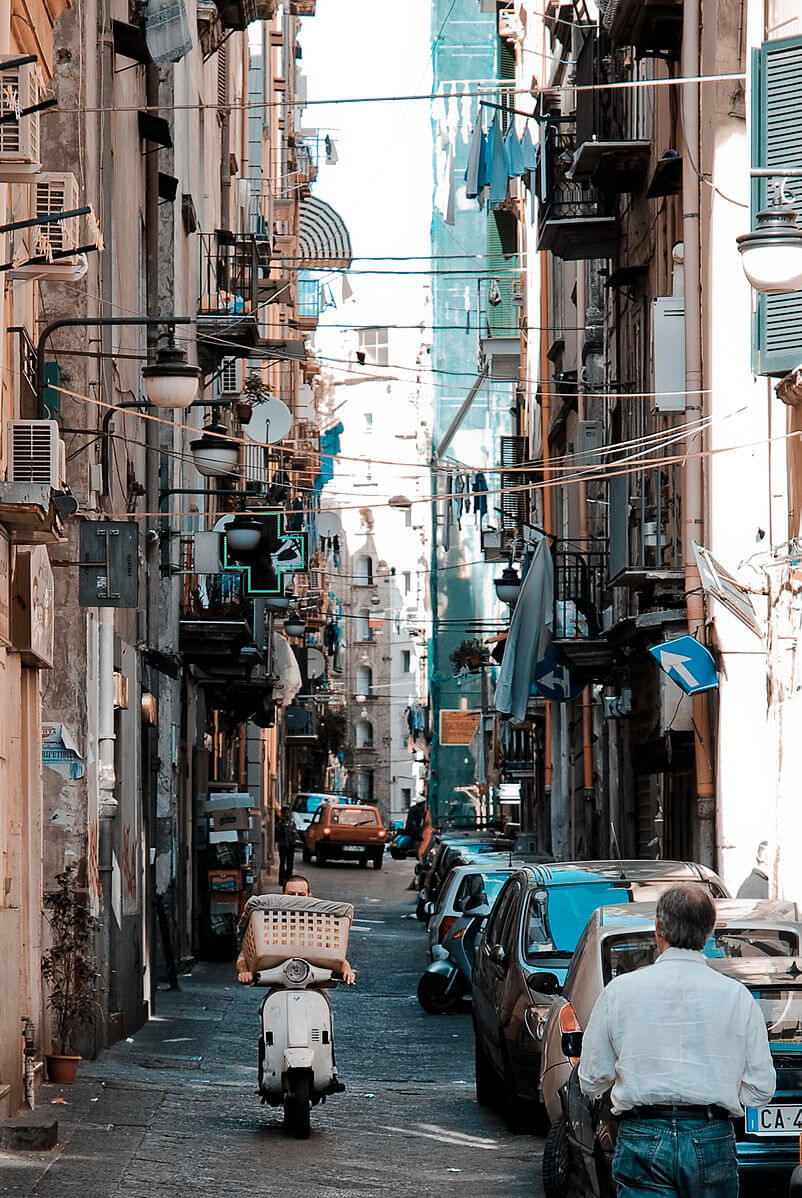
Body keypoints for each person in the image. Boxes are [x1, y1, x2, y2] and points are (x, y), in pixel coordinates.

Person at [578, 883, 776, 1198]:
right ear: (710, 932)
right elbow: (760, 1089)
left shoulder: (620, 991)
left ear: (658, 929)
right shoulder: (736, 996)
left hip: (642, 1133)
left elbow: (591, 1079)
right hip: (711, 1135)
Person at [237, 875, 356, 986]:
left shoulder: (320, 924)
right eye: (291, 894)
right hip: (280, 984)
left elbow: (335, 954)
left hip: (314, 985)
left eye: (301, 895)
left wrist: (347, 970)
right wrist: (245, 972)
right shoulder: (271, 922)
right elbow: (246, 954)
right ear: (283, 896)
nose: (296, 900)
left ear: (310, 896)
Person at [275, 805, 296, 887]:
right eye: (286, 813)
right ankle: (282, 879)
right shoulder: (280, 823)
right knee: (282, 863)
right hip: (283, 845)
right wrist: (282, 825)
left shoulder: (292, 823)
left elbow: (295, 833)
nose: (288, 814)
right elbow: (278, 833)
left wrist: (295, 840)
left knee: (290, 863)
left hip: (290, 845)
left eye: (288, 813)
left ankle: (289, 879)